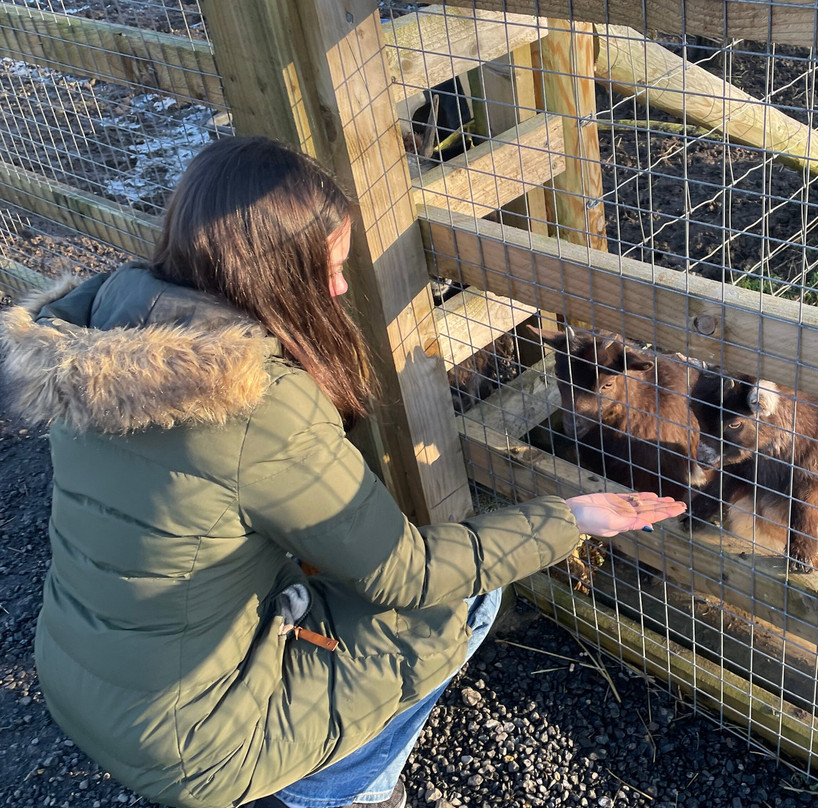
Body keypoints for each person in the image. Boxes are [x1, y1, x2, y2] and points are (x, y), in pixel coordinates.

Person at [0, 136, 686, 808]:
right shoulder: (254, 405)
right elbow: (408, 573)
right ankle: (339, 792)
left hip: (80, 679)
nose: (337, 287)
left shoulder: (98, 338)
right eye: (323, 268)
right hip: (193, 745)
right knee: (468, 602)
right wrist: (566, 518)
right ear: (265, 270)